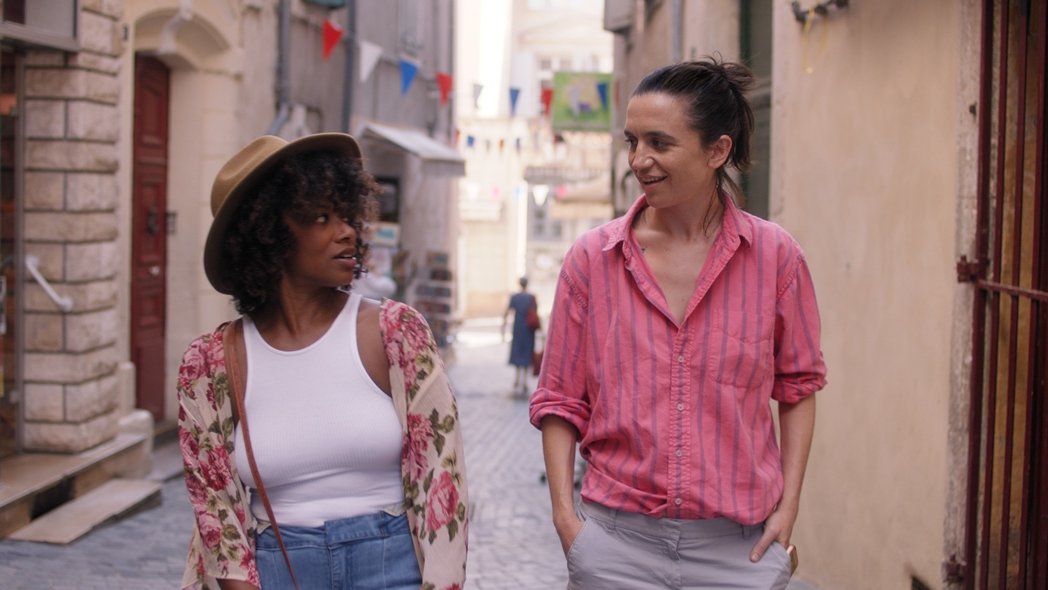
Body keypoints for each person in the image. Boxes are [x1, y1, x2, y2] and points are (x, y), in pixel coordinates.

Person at [529, 59, 827, 589]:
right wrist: (566, 521)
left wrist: (789, 507)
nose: (639, 160)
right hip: (616, 546)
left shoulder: (776, 258)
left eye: (660, 143)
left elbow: (798, 385)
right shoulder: (592, 260)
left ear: (717, 151)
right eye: (632, 142)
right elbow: (559, 399)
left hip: (739, 552)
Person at [177, 133, 468, 590]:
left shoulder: (395, 334)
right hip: (277, 570)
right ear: (267, 234)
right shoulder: (211, 364)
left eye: (347, 215)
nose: (347, 231)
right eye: (320, 217)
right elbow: (217, 513)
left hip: (393, 566)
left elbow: (442, 478)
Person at [502, 276, 539, 394]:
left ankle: (517, 379)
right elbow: (535, 313)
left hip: (518, 328)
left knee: (518, 352)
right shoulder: (531, 297)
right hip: (528, 330)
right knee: (527, 353)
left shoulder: (514, 297)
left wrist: (503, 327)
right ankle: (524, 382)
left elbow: (507, 312)